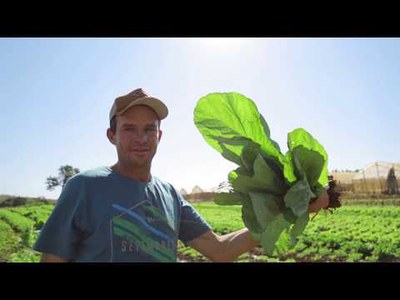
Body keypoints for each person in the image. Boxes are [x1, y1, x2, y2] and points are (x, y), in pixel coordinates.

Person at [34, 88, 329, 262]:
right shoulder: (84, 187)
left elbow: (220, 250)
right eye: (129, 128)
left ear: (160, 136)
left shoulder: (170, 194)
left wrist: (290, 209)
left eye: (149, 128)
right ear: (111, 135)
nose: (141, 138)